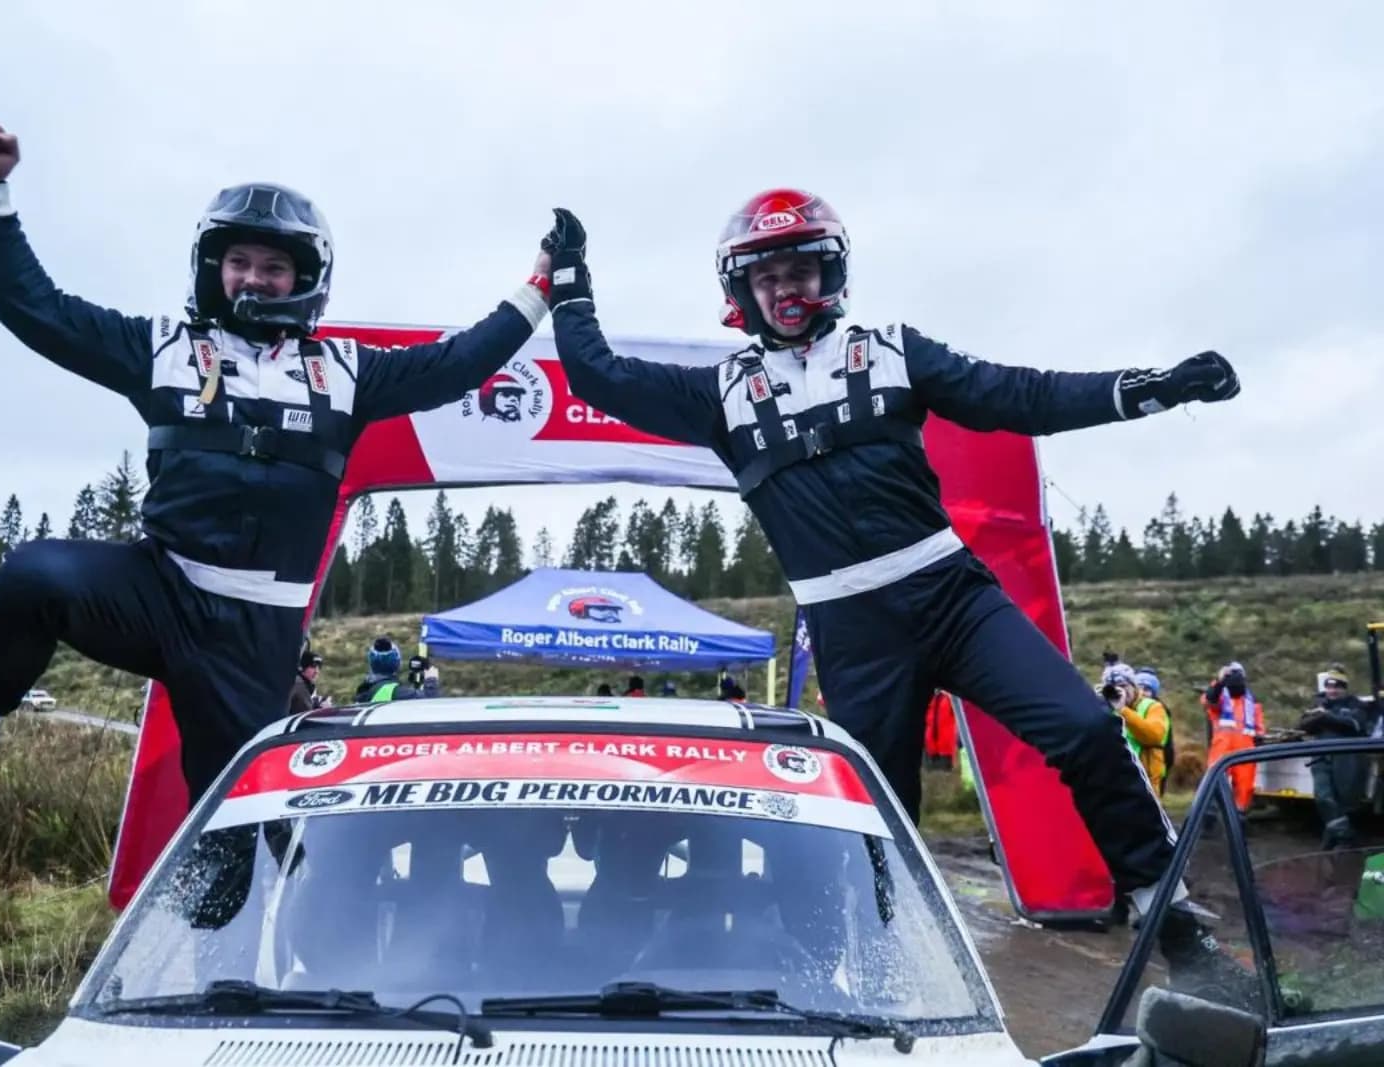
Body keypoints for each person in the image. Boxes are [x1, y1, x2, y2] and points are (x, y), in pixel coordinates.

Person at [540, 193, 1243, 973]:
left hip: (952, 597)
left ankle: (1166, 909)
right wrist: (571, 282)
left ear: (832, 272)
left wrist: (1144, 389)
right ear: (741, 293)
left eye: (800, 268)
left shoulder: (891, 350)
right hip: (853, 632)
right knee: (881, 825)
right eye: (767, 276)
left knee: (1084, 727)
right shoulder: (719, 390)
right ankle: (858, 977)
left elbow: (1020, 394)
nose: (786, 289)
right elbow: (596, 377)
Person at [0, 126, 552, 804]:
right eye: (239, 261)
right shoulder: (164, 348)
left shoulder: (349, 371)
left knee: (236, 836)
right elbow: (36, 309)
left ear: (306, 278)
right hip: (160, 591)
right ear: (213, 267)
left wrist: (541, 284)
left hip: (256, 633)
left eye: (274, 267)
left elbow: (463, 361)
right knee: (32, 575)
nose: (254, 278)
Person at [1299, 664, 1372, 849]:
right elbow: (1301, 725)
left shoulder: (1355, 704)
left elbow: (1356, 725)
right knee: (1324, 797)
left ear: (1344, 689)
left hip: (1346, 760)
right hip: (1321, 758)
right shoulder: (1318, 703)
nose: (1331, 691)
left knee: (1344, 803)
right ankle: (1346, 836)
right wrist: (1317, 716)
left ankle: (1332, 842)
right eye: (1329, 687)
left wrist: (1327, 717)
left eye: (1336, 687)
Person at [1202, 662, 1263, 814]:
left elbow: (1259, 728)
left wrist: (1259, 739)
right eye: (1231, 675)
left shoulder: (1252, 702)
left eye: (1238, 675)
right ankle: (1209, 818)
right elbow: (1209, 699)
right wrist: (1220, 681)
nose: (1235, 679)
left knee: (1245, 786)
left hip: (1245, 750)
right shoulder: (1219, 696)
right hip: (1222, 748)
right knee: (1215, 783)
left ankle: (1239, 817)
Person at [1100, 665, 1170, 798]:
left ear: (1134, 686)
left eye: (1123, 686)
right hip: (1114, 782)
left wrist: (1123, 711)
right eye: (1113, 688)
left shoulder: (1152, 706)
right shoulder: (1106, 709)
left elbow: (1154, 736)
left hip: (1145, 784)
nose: (1120, 692)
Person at [355, 638, 439, 702]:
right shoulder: (396, 692)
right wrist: (431, 680)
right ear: (398, 663)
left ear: (371, 664)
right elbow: (429, 702)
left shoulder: (365, 688)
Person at [288, 649, 329, 715]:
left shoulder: (308, 685)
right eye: (313, 666)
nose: (317, 671)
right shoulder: (296, 684)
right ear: (302, 667)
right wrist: (319, 708)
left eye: (319, 667)